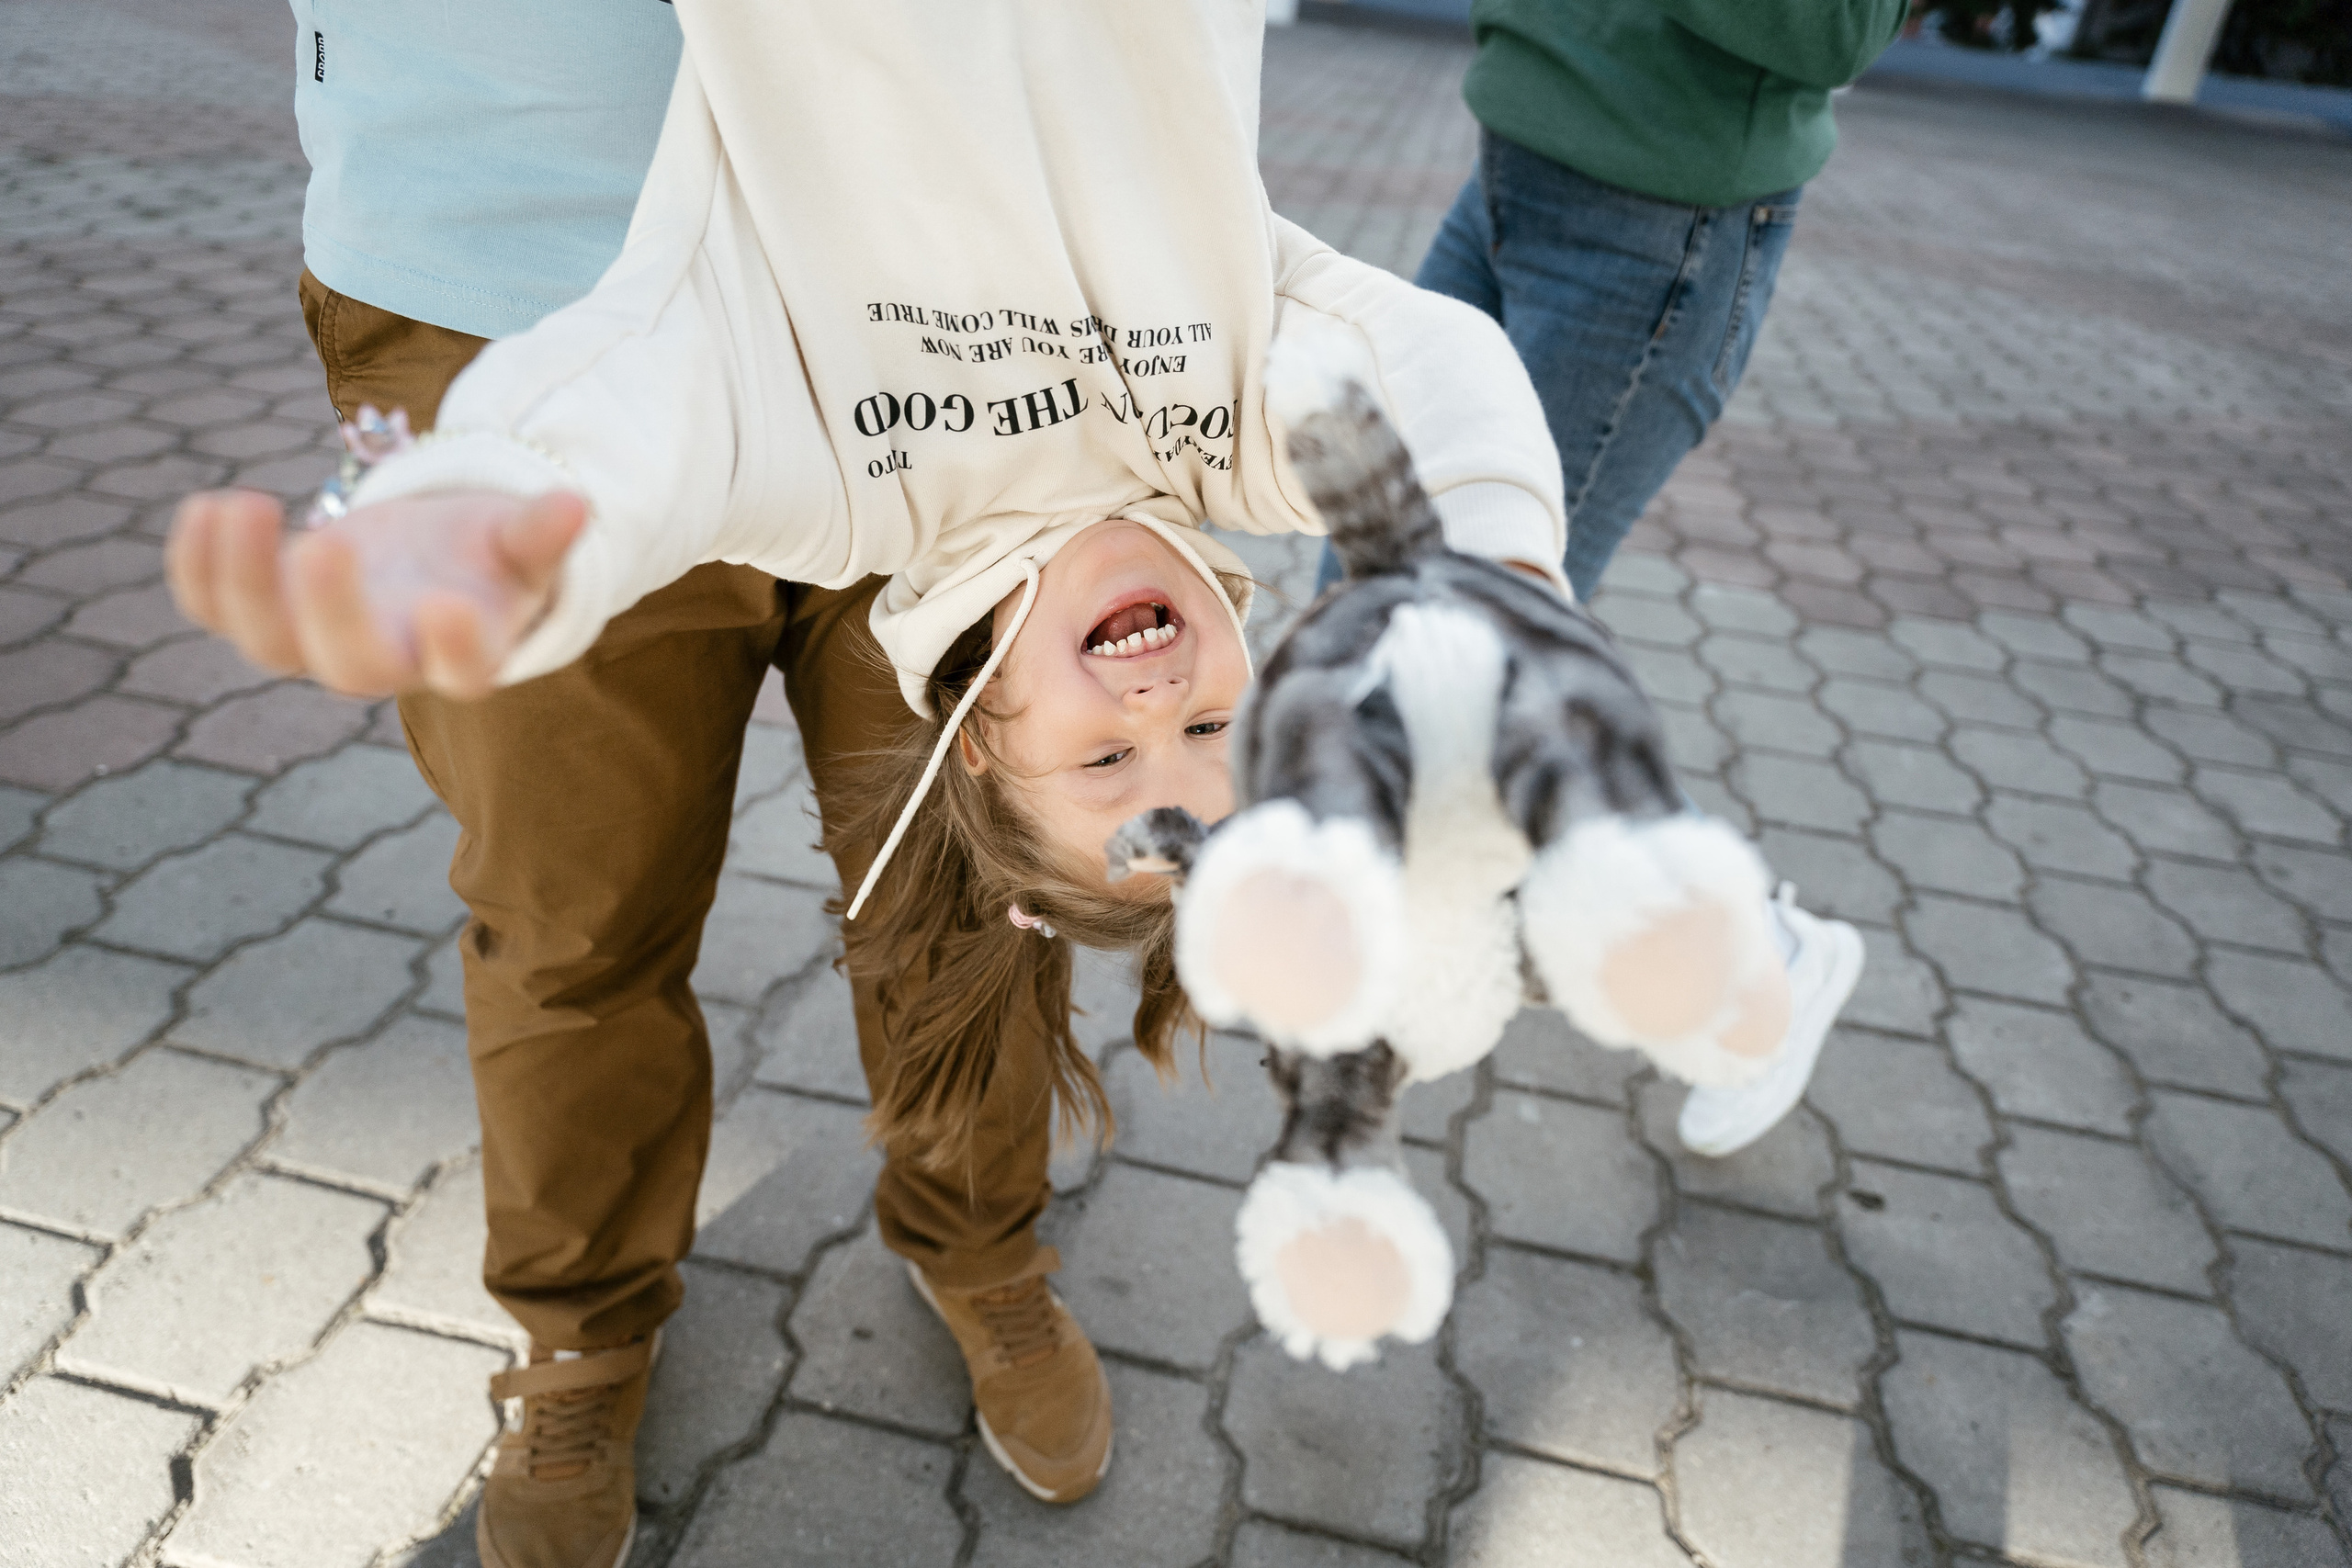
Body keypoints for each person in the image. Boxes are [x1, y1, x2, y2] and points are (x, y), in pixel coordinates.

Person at [177, 7, 1574, 1565]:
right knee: (573, 914)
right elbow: (1418, 375)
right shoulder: (1203, 385)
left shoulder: (842, 433)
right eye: (1210, 737)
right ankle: (579, 1328)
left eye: (1122, 750)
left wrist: (498, 538)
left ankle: (976, 1237)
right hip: (507, 227)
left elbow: (646, 439)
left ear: (975, 722)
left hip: (803, 312)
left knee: (961, 915)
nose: (1162, 704)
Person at [1316, 0, 1906, 1158]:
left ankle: (1761, 964)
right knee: (1380, 597)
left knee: (1471, 658)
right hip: (1508, 170)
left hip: (1652, 237)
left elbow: (1840, 29)